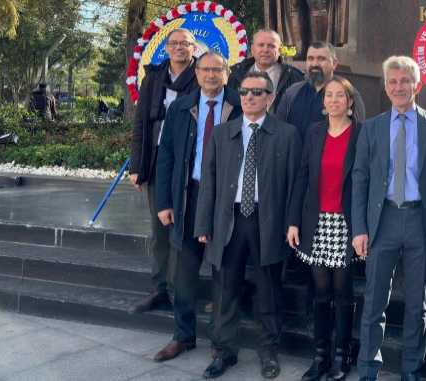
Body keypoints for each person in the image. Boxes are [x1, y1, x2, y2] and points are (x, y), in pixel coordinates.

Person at [194, 71, 302, 379]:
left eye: (257, 92)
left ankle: (268, 351)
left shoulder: (287, 134)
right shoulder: (222, 133)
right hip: (228, 222)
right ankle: (224, 352)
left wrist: (292, 222)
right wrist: (204, 223)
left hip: (267, 222)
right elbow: (209, 183)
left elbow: (296, 185)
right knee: (225, 290)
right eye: (244, 91)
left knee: (268, 290)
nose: (249, 97)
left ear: (270, 98)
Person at [351, 56, 426, 381]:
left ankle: (411, 370)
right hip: (383, 222)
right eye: (392, 81)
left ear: (416, 85)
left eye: (404, 81)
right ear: (386, 85)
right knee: (374, 300)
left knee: (415, 305)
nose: (398, 87)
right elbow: (360, 179)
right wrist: (360, 228)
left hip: (420, 221)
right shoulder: (372, 128)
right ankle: (368, 370)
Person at [152, 52, 241, 362]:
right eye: (205, 69)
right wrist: (164, 202)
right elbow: (166, 158)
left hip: (226, 202)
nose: (211, 75)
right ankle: (183, 336)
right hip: (189, 197)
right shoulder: (179, 108)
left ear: (227, 74)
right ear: (197, 73)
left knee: (223, 275)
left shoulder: (240, 107)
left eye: (217, 69)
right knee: (184, 275)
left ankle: (221, 342)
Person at [287, 77, 361, 381]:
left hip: (345, 223)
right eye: (329, 95)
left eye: (340, 95)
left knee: (342, 292)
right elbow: (302, 178)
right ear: (323, 102)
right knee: (320, 293)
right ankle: (321, 355)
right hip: (316, 221)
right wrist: (293, 220)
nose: (333, 100)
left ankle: (343, 354)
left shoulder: (360, 133)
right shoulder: (314, 132)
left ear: (350, 102)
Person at [128, 28, 199, 314]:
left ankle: (182, 289)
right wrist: (136, 165)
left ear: (194, 48)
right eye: (174, 43)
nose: (179, 48)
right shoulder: (154, 77)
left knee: (183, 231)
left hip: (189, 163)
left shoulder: (202, 76)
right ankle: (160, 289)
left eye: (185, 43)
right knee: (159, 230)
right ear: (166, 48)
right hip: (158, 162)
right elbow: (141, 123)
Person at [276, 41, 366, 140]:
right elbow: (279, 130)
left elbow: (357, 134)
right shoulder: (292, 93)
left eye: (321, 59)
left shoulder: (347, 93)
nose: (315, 64)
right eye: (310, 59)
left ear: (334, 64)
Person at [227, 29, 304, 112]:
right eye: (261, 45)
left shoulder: (295, 77)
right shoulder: (235, 75)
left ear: (279, 50)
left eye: (271, 46)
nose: (265, 50)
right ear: (252, 49)